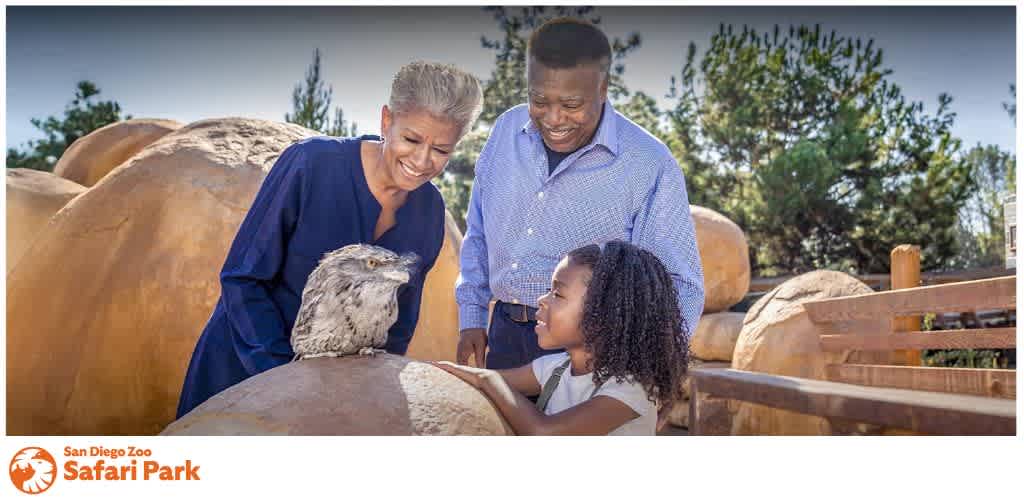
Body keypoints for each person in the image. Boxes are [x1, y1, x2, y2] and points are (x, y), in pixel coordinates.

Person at [177, 61, 483, 418]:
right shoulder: (310, 164)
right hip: (240, 372)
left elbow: (399, 321)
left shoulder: (430, 210)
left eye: (441, 150)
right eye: (411, 139)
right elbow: (243, 278)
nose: (422, 160)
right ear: (386, 121)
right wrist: (281, 375)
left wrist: (365, 384)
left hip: (334, 397)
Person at [455, 18, 704, 373]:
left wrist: (655, 373)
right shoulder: (505, 131)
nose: (554, 119)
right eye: (539, 100)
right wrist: (472, 315)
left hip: (592, 355)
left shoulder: (649, 163)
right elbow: (479, 233)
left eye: (571, 104)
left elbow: (680, 285)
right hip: (504, 336)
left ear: (603, 88)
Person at [436, 241, 688, 435]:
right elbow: (475, 382)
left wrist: (488, 378)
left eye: (557, 293)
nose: (541, 301)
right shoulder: (554, 368)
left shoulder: (630, 389)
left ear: (603, 313)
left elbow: (543, 432)